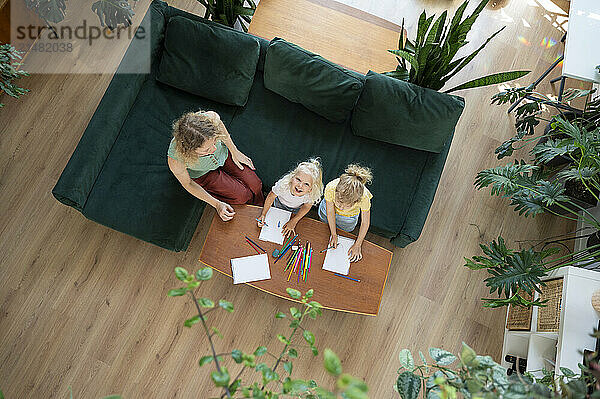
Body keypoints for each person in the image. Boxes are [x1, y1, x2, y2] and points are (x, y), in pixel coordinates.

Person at [167, 110, 264, 221]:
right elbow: (188, 184)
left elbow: (220, 126)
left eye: (214, 142)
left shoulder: (210, 118)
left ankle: (261, 207)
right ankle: (249, 214)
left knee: (256, 184)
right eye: (207, 149)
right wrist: (217, 204)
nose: (214, 149)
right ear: (190, 151)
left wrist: (235, 152)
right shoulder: (175, 159)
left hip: (224, 156)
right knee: (242, 196)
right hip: (204, 174)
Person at [318, 164, 373, 262]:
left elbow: (365, 222)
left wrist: (358, 244)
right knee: (323, 227)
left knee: (344, 232)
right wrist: (334, 234)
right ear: (336, 192)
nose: (341, 207)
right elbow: (330, 211)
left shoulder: (364, 197)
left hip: (348, 218)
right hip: (327, 210)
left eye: (346, 205)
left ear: (357, 201)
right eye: (339, 202)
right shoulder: (331, 187)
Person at [257, 158, 324, 237]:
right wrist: (263, 214)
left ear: (311, 189)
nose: (300, 186)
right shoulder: (283, 185)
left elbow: (306, 206)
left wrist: (294, 221)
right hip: (279, 204)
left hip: (296, 210)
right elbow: (271, 197)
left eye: (306, 184)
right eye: (298, 179)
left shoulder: (311, 194)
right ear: (292, 177)